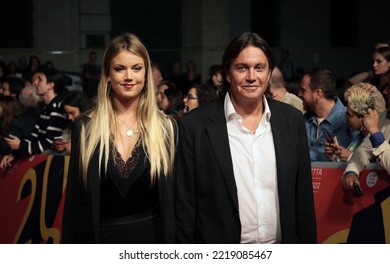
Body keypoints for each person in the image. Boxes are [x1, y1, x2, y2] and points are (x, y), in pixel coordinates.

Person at [175, 32, 317, 244]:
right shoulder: (194, 126)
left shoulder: (291, 120)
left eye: (259, 68)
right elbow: (185, 207)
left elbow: (303, 200)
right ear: (228, 74)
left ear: (269, 74)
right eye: (242, 68)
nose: (252, 76)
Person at [62, 33, 176, 244]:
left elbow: (176, 202)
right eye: (119, 68)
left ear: (146, 74)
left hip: (152, 242)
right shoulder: (86, 127)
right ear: (107, 75)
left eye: (136, 68)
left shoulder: (165, 128)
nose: (129, 77)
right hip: (100, 240)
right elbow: (75, 201)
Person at [298, 67, 359, 161]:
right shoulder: (303, 120)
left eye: (303, 90)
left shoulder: (349, 120)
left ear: (318, 94)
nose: (299, 94)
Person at [342, 73, 390, 191]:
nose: (385, 92)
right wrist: (352, 171)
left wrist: (375, 133)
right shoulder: (386, 117)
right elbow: (364, 150)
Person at [324, 82, 386, 162]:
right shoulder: (360, 137)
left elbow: (379, 168)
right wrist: (336, 156)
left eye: (348, 114)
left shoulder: (381, 138)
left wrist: (350, 157)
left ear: (364, 116)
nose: (345, 116)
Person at [52, 91, 91, 155]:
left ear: (82, 110)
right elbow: (64, 138)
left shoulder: (91, 126)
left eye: (72, 113)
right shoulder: (71, 125)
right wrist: (58, 145)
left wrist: (75, 148)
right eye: (67, 114)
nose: (69, 117)